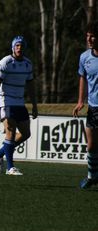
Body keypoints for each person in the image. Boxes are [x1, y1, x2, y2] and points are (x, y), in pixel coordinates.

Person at [0, 35, 37, 176]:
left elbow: (31, 86)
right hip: (6, 101)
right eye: (17, 45)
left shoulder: (28, 64)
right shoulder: (5, 62)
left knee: (26, 134)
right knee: (10, 131)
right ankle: (10, 168)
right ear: (13, 47)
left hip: (20, 103)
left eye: (21, 46)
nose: (19, 48)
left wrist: (34, 105)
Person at [73, 21, 98, 189]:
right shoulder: (84, 57)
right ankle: (91, 176)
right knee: (91, 145)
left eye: (92, 36)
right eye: (87, 36)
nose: (89, 39)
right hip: (93, 107)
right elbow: (82, 77)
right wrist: (80, 101)